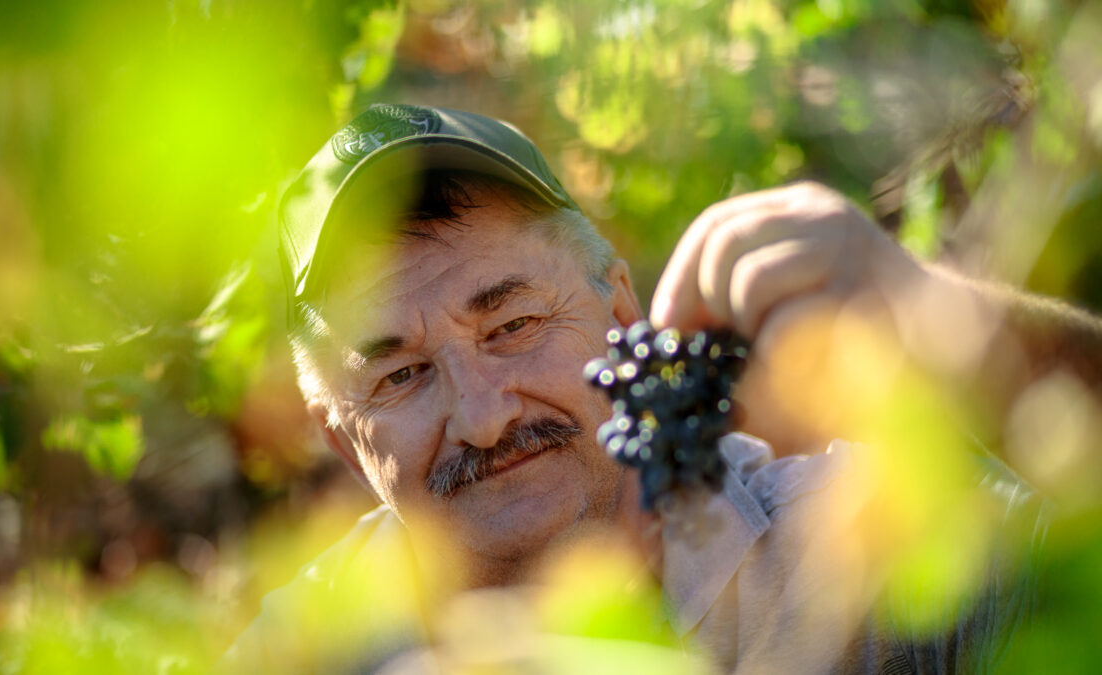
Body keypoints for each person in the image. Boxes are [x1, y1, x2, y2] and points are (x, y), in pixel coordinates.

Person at [225, 103, 1098, 672]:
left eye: (513, 326)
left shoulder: (855, 543)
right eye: (401, 375)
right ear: (341, 437)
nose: (484, 416)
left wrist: (960, 333)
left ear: (619, 309)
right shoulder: (304, 652)